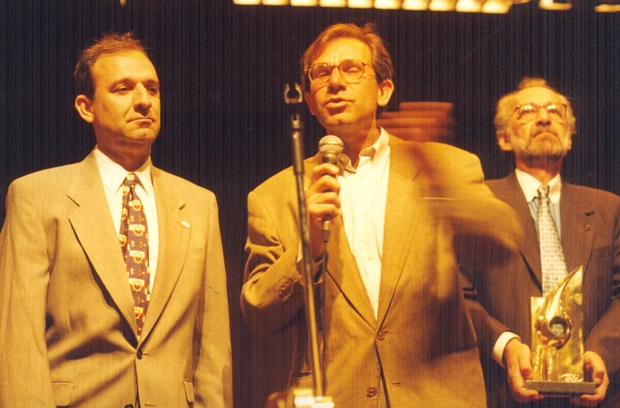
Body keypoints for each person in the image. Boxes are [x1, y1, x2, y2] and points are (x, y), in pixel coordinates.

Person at [241, 22, 523, 407]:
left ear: (384, 89)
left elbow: (502, 247)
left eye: (352, 69)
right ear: (309, 100)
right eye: (321, 73)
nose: (335, 82)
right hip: (339, 396)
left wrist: (442, 187)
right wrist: (308, 246)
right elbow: (260, 314)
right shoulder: (273, 197)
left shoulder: (444, 165)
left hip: (438, 396)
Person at [0, 32, 232, 407]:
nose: (143, 101)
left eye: (152, 89)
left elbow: (212, 349)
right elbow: (18, 344)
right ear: (86, 107)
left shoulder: (199, 204)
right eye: (123, 89)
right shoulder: (36, 197)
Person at [481, 77, 620, 408]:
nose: (544, 118)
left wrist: (600, 353)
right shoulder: (480, 202)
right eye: (526, 111)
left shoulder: (608, 209)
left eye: (556, 112)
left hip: (593, 394)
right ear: (503, 138)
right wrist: (507, 345)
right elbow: (459, 294)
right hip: (501, 391)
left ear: (570, 137)